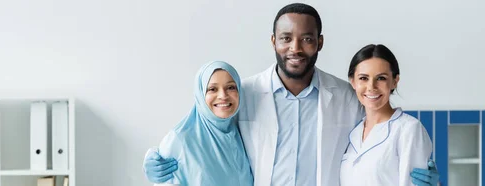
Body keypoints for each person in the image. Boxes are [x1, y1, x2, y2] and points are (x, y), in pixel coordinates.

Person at [143, 3, 439, 186]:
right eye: (286, 38)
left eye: (307, 39)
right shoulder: (243, 93)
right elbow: (206, 132)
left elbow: (380, 139)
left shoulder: (346, 95)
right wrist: (164, 162)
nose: (295, 48)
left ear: (320, 42)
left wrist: (424, 174)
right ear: (274, 41)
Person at [340, 44, 433, 185]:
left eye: (381, 78)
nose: (371, 87)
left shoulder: (408, 129)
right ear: (352, 82)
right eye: (363, 78)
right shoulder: (354, 132)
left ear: (395, 81)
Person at [149, 61, 253, 186]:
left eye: (231, 87)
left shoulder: (241, 133)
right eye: (212, 89)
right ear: (200, 94)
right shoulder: (180, 140)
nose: (223, 96)